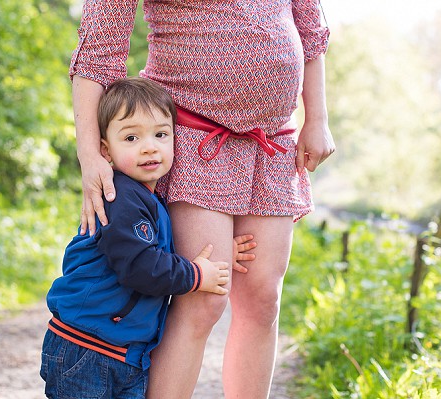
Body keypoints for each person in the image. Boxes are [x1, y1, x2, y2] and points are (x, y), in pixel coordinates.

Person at [69, 1, 335, 398]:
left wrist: (317, 118)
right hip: (191, 135)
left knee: (264, 299)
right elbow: (99, 53)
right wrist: (91, 155)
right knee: (203, 299)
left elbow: (310, 30)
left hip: (273, 142)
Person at [41, 78, 255, 399]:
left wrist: (224, 250)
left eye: (160, 134)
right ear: (105, 149)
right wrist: (196, 275)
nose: (149, 146)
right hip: (86, 348)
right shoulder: (120, 197)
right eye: (131, 137)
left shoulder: (150, 201)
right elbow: (141, 266)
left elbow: (160, 249)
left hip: (122, 351)